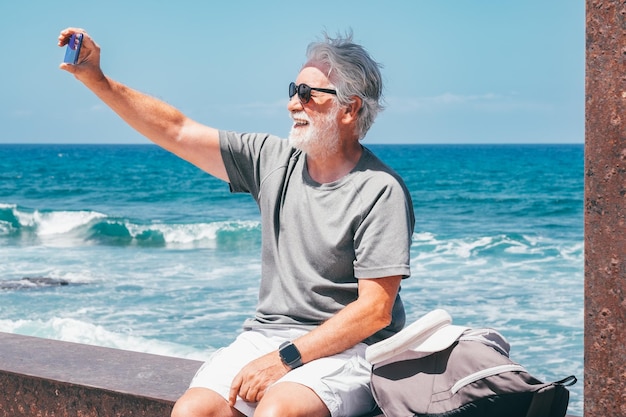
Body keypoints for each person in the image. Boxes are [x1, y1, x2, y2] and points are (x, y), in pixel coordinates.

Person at [58, 27, 415, 417]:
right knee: (192, 411)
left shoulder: (381, 190)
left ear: (350, 110)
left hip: (350, 348)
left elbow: (375, 311)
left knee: (277, 411)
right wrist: (97, 79)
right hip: (267, 337)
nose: (294, 103)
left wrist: (285, 359)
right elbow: (177, 130)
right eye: (293, 90)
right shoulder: (270, 159)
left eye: (309, 94)